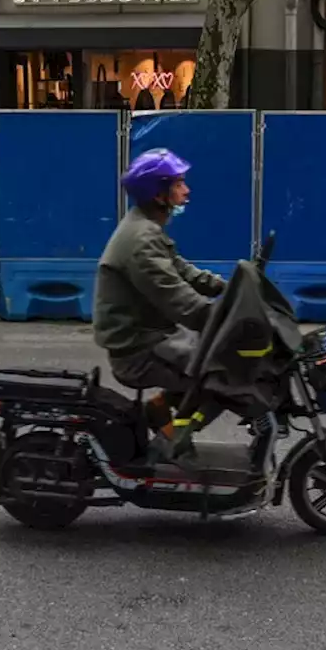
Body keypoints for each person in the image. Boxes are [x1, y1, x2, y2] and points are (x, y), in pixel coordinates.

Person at [93, 148, 226, 456]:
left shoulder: (148, 227)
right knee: (224, 377)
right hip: (138, 349)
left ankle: (160, 409)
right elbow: (180, 301)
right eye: (179, 183)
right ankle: (171, 443)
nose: (187, 190)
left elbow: (183, 270)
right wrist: (226, 320)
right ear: (159, 194)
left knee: (217, 361)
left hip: (151, 335)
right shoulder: (141, 241)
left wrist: (228, 289)